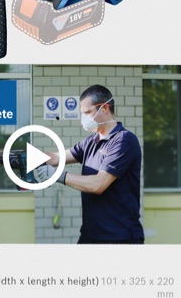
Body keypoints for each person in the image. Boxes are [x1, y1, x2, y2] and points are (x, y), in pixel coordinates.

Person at [30, 84, 145, 244]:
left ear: (104, 108)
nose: (84, 118)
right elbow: (57, 158)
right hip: (90, 235)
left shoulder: (123, 140)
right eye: (82, 114)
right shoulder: (91, 142)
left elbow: (98, 184)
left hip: (120, 238)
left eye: (87, 112)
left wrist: (56, 175)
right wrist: (30, 157)